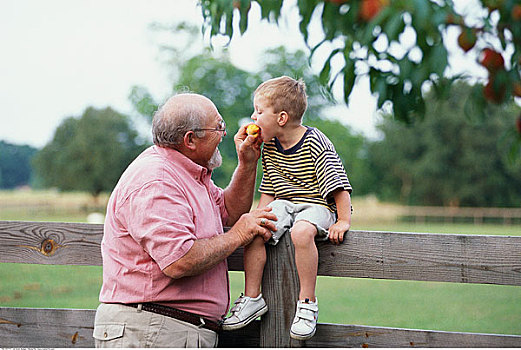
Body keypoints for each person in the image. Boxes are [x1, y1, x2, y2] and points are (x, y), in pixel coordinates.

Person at [93, 93, 277, 348]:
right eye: (218, 127)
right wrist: (238, 235)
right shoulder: (157, 180)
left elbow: (228, 212)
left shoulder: (186, 172)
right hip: (153, 329)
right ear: (190, 139)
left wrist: (247, 164)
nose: (224, 134)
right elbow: (179, 260)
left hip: (163, 328)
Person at [222, 76, 352, 340]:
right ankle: (252, 297)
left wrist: (342, 220)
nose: (252, 117)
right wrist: (256, 217)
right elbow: (270, 188)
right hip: (286, 205)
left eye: (258, 112)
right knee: (256, 230)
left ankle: (306, 303)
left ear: (281, 118)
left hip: (317, 205)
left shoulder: (315, 142)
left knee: (301, 233)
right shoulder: (269, 145)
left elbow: (338, 184)